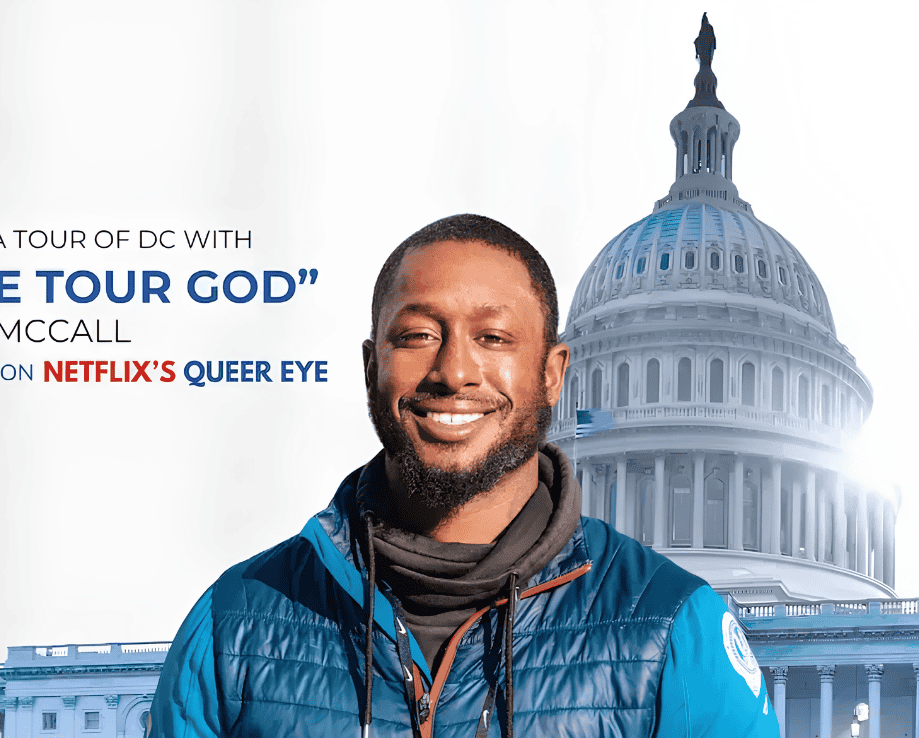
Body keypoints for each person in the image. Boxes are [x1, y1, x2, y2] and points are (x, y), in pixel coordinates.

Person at [149, 214, 779, 737]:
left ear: (552, 373)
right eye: (419, 334)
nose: (454, 370)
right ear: (372, 367)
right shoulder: (234, 623)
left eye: (495, 337)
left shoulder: (672, 627)